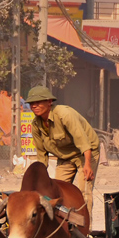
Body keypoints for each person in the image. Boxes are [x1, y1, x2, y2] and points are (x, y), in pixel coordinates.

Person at [25, 85, 100, 218]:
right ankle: (63, 228)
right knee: (55, 193)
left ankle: (85, 229)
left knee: (84, 193)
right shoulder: (35, 125)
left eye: (38, 102)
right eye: (31, 103)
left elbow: (83, 142)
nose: (34, 106)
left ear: (49, 102)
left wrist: (87, 165)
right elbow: (42, 156)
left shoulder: (64, 114)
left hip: (86, 153)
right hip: (65, 157)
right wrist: (40, 180)